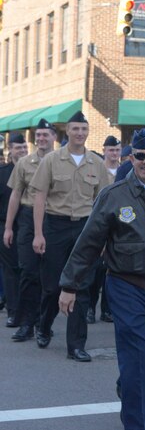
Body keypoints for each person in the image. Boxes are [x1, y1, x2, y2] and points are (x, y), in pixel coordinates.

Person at [58, 128, 145, 430]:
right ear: (131, 158)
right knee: (138, 359)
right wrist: (69, 285)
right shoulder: (113, 196)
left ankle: (130, 384)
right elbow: (88, 244)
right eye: (140, 156)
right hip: (126, 287)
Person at [30, 111, 111, 361]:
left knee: (82, 287)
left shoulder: (96, 163)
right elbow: (40, 197)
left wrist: (104, 238)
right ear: (67, 131)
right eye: (75, 129)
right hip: (56, 226)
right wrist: (38, 233)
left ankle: (76, 346)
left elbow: (103, 202)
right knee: (53, 287)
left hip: (85, 229)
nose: (79, 133)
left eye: (83, 129)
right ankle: (43, 326)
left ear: (88, 132)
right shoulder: (52, 160)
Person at [4, 120, 56, 341]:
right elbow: (15, 195)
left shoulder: (61, 162)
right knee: (28, 272)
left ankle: (43, 324)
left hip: (54, 220)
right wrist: (8, 227)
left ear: (54, 137)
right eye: (39, 134)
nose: (42, 138)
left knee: (50, 277)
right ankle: (27, 323)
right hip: (27, 219)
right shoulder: (24, 163)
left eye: (46, 134)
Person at [87, 135, 123, 324]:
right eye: (111, 150)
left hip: (119, 224)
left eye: (117, 150)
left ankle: (107, 310)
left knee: (112, 270)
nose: (114, 153)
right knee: (96, 270)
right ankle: (90, 308)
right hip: (101, 222)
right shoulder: (96, 169)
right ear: (104, 151)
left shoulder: (125, 170)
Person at [0, 133, 29, 328]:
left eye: (25, 148)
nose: (23, 151)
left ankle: (28, 313)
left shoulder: (35, 170)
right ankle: (13, 311)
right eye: (19, 148)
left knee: (28, 270)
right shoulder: (3, 172)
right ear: (11, 150)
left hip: (29, 227)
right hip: (5, 226)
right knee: (11, 271)